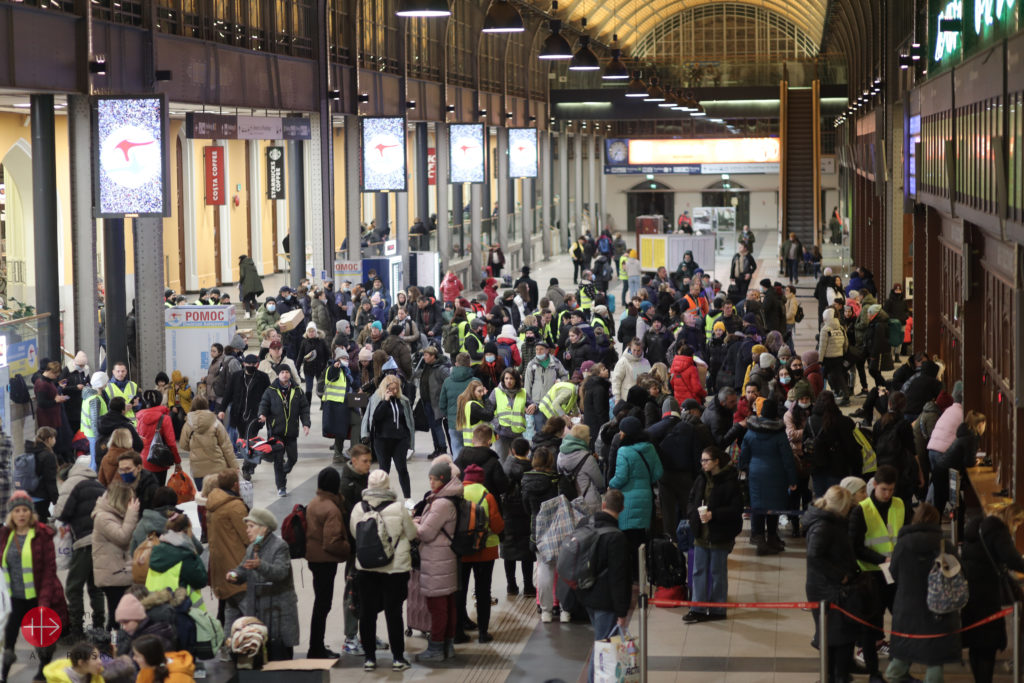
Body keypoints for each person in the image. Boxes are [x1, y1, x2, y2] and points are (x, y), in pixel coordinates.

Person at [349, 470, 417, 671]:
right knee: (394, 613)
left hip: (366, 567)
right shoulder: (398, 508)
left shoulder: (358, 509)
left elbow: (355, 534)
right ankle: (398, 659)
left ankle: (369, 659)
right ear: (388, 485)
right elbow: (412, 534)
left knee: (367, 614)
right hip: (394, 570)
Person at [885, 503, 960, 683]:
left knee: (903, 652)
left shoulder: (902, 544)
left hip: (907, 606)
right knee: (935, 658)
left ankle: (894, 676)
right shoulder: (945, 545)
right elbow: (957, 573)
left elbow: (893, 572)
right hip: (937, 608)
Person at [0, 491, 68, 682]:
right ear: (11, 514)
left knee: (42, 640)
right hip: (13, 599)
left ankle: (43, 672)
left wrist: (44, 603)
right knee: (8, 640)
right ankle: (3, 674)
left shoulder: (42, 535)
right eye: (17, 511)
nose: (21, 514)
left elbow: (49, 572)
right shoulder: (4, 535)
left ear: (30, 513)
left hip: (38, 597)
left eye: (24, 510)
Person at [849, 465, 908, 680]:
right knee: (870, 626)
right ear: (874, 485)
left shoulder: (900, 505)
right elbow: (855, 547)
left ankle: (902, 668)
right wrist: (882, 559)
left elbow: (905, 534)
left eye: (891, 489)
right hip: (870, 575)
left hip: (894, 573)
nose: (888, 494)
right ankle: (874, 673)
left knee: (901, 620)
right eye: (884, 489)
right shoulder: (862, 509)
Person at [802, 485, 860, 682]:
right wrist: (839, 576)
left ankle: (834, 674)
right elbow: (814, 555)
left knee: (835, 635)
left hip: (829, 585)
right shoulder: (824, 525)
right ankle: (835, 675)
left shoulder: (830, 521)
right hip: (827, 588)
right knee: (837, 635)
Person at [226, 507, 299, 660]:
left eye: (251, 526)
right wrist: (235, 575)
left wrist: (260, 565)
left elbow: (281, 572)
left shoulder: (280, 546)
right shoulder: (253, 548)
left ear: (264, 528)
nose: (247, 530)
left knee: (280, 657)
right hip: (260, 610)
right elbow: (244, 568)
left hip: (277, 610)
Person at [962, 505, 1024, 683]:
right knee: (988, 645)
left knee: (975, 643)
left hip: (971, 593)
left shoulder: (977, 525)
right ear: (1011, 518)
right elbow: (1012, 559)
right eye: (1017, 522)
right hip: (988, 595)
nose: (1017, 527)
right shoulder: (997, 530)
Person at [574, 489, 631, 683]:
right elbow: (618, 578)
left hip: (585, 594)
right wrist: (622, 611)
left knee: (600, 642)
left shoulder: (585, 524)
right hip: (605, 601)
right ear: (622, 509)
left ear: (603, 505)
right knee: (603, 646)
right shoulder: (617, 538)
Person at [683, 446, 743, 623]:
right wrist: (693, 514)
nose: (703, 464)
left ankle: (718, 609)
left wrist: (713, 515)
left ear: (716, 461)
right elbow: (692, 499)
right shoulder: (701, 479)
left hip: (720, 534)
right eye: (701, 460)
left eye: (706, 460)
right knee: (698, 571)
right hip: (701, 533)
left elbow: (736, 508)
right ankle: (697, 609)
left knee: (718, 573)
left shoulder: (730, 481)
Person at [412, 460, 463, 662]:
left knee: (437, 606)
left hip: (437, 560)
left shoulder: (442, 503)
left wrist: (411, 523)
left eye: (433, 479)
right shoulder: (450, 497)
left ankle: (435, 648)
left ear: (442, 480)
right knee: (448, 603)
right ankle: (447, 646)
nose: (431, 483)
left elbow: (425, 533)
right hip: (445, 558)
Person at [54, 455, 107, 641]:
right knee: (95, 586)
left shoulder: (71, 483)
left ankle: (77, 630)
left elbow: (61, 512)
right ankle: (100, 627)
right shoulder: (97, 483)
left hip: (84, 542)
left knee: (73, 587)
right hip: (102, 542)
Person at [738, 399, 797, 555]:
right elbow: (788, 459)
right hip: (777, 474)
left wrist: (744, 468)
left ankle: (758, 538)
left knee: (757, 505)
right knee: (774, 506)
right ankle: (772, 536)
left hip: (756, 473)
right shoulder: (779, 434)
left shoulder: (751, 432)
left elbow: (743, 455)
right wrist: (792, 480)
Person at [304, 467, 351, 659]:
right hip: (325, 562)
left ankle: (316, 646)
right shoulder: (331, 508)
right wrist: (348, 548)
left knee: (320, 604)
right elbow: (331, 542)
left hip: (314, 559)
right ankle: (316, 648)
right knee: (323, 605)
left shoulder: (314, 503)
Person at [609, 416, 663, 576]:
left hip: (627, 502)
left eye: (622, 430)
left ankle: (632, 576)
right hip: (646, 498)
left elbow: (621, 477)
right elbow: (659, 472)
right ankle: (642, 573)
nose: (620, 433)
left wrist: (611, 484)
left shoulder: (623, 451)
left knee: (628, 540)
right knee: (641, 537)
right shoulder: (650, 447)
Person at [91, 482, 140, 630]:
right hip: (112, 574)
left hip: (120, 571)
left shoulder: (116, 515)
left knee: (119, 615)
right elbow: (123, 537)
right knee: (116, 616)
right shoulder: (103, 518)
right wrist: (131, 515)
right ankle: (109, 647)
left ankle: (113, 646)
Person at [258, 367, 310, 497]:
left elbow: (304, 408)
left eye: (287, 372)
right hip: (276, 432)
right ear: (278, 375)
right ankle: (281, 486)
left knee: (293, 458)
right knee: (278, 460)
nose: (285, 375)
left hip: (292, 432)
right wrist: (262, 415)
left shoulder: (297, 390)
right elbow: (264, 404)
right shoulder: (270, 391)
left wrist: (306, 424)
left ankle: (284, 471)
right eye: (282, 372)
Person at [360, 375, 414, 498]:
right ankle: (382, 497)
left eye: (397, 388)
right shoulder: (376, 398)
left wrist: (409, 439)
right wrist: (385, 401)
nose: (395, 391)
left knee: (402, 469)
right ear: (386, 388)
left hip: (400, 439)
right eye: (392, 389)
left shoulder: (403, 400)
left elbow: (409, 421)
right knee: (384, 470)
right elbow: (374, 417)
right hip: (382, 440)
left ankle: (408, 498)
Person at [145, 513, 207, 611]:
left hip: (155, 606)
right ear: (187, 531)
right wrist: (194, 552)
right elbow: (201, 580)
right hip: (179, 609)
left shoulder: (156, 551)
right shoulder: (185, 555)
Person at [931, 410, 986, 516]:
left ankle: (934, 529)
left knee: (940, 505)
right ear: (980, 424)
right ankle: (957, 533)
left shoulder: (964, 434)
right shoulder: (972, 437)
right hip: (945, 474)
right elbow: (969, 462)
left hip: (940, 470)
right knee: (957, 508)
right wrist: (976, 462)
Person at [136, 390, 179, 486]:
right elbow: (171, 443)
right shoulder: (165, 418)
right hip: (159, 461)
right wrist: (177, 462)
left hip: (143, 460)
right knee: (159, 492)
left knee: (147, 491)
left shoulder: (140, 418)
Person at [439, 353, 477, 460]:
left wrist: (449, 415)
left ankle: (458, 473)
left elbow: (442, 404)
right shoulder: (475, 382)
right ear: (469, 364)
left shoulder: (447, 382)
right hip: (471, 423)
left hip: (453, 422)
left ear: (456, 364)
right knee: (471, 452)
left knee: (456, 450)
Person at [24, 427, 59, 523]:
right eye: (54, 437)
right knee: (40, 525)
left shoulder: (30, 451)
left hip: (28, 493)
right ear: (49, 439)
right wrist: (56, 499)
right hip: (41, 495)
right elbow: (50, 480)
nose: (55, 440)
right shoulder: (48, 456)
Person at [130, 634, 195, 683]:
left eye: (137, 656)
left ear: (149, 657)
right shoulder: (148, 669)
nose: (134, 658)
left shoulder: (177, 679)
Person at [81, 372, 110, 469]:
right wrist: (99, 438)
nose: (107, 383)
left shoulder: (88, 395)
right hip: (95, 434)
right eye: (106, 381)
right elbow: (94, 420)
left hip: (90, 432)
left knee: (94, 458)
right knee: (96, 460)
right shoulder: (95, 399)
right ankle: (94, 480)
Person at [41, 641, 106, 683]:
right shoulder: (60, 680)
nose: (100, 662)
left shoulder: (95, 676)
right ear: (81, 663)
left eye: (99, 657)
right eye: (95, 658)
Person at [238, 254, 264, 319]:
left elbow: (242, 275)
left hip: (247, 285)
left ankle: (247, 314)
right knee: (253, 298)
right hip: (254, 286)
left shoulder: (243, 265)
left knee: (246, 299)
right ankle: (258, 312)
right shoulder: (252, 264)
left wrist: (240, 282)